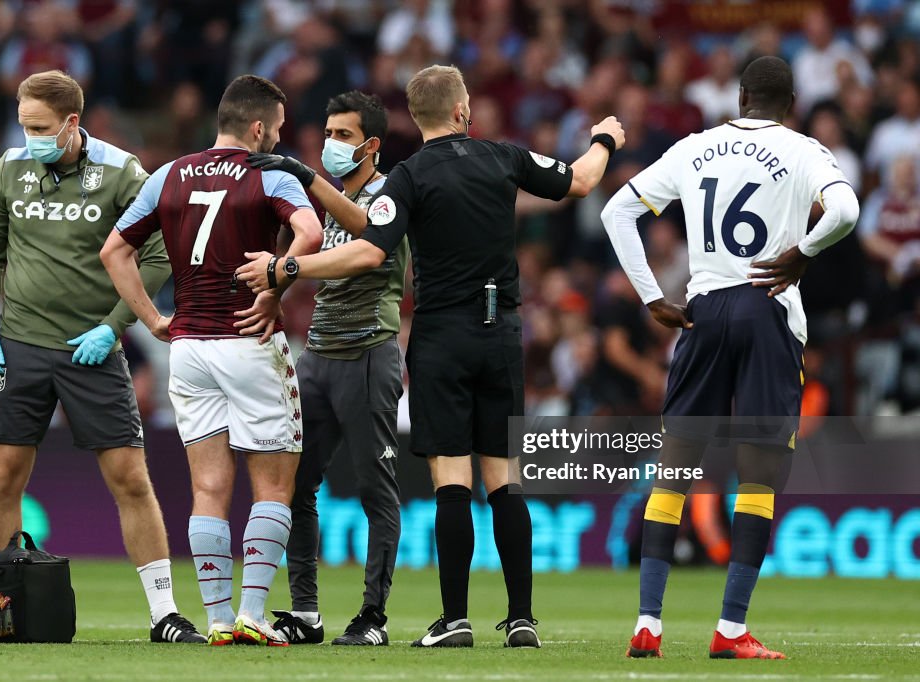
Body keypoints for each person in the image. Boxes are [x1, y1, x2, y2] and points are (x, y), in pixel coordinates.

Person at [238, 64, 625, 649]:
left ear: (414, 121)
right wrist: (604, 139)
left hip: (442, 335)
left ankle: (456, 620)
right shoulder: (505, 157)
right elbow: (580, 181)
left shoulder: (409, 179)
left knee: (451, 478)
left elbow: (368, 251)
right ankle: (521, 619)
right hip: (502, 331)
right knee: (502, 478)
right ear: (463, 112)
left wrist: (285, 266)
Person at [600, 56, 859, 660]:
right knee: (760, 473)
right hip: (767, 308)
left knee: (677, 469)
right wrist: (803, 252)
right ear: (791, 102)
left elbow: (618, 211)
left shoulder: (695, 147)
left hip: (703, 307)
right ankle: (732, 629)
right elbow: (845, 211)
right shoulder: (804, 151)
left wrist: (650, 298)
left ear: (740, 96)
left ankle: (648, 625)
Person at [0, 70, 205, 643]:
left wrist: (114, 326)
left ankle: (163, 615)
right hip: (19, 344)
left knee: (129, 477)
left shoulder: (123, 173)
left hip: (91, 349)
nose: (31, 138)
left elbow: (159, 254)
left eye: (41, 127)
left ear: (72, 123)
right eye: (24, 126)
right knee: (3, 476)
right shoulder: (7, 170)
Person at [100, 74, 323, 647]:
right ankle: (252, 612)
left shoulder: (168, 174)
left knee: (208, 488)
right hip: (246, 340)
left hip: (189, 349)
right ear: (257, 127)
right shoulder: (268, 172)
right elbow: (310, 231)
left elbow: (114, 251)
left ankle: (219, 620)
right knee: (273, 487)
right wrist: (274, 287)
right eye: (275, 129)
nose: (277, 139)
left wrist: (153, 319)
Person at [249, 91, 406, 646]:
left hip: (368, 356)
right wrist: (276, 292)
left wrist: (304, 177)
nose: (331, 144)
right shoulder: (335, 198)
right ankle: (307, 612)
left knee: (375, 491)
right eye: (328, 133)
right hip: (319, 359)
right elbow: (315, 251)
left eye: (343, 136)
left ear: (371, 145)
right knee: (295, 485)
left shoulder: (390, 195)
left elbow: (366, 236)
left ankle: (373, 618)